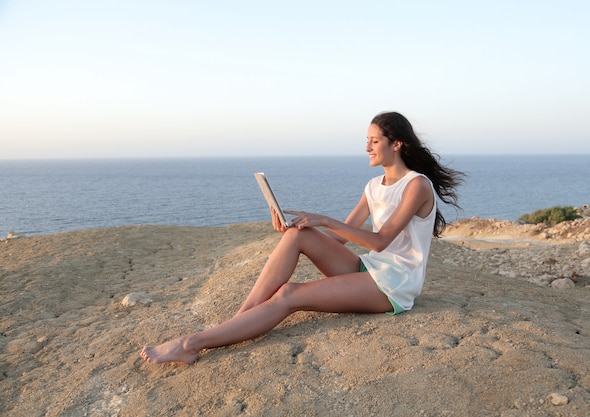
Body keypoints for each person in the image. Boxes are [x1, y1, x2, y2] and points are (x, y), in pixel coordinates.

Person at [140, 111, 464, 364]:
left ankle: (191, 344)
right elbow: (338, 242)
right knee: (299, 235)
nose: (366, 147)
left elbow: (381, 241)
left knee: (290, 294)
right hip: (369, 270)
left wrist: (325, 219)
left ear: (397, 144)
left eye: (374, 141)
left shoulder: (416, 185)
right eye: (366, 139)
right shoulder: (373, 186)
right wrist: (295, 229)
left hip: (394, 283)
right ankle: (238, 324)